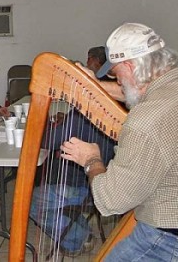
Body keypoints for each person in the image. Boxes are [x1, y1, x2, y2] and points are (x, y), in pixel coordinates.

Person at [60, 22, 178, 261]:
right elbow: (140, 91)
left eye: (116, 74)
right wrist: (93, 87)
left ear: (130, 67)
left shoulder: (146, 121)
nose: (116, 80)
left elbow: (111, 200)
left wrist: (90, 159)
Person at [30, 109, 116, 257]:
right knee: (46, 195)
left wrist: (41, 121)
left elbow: (46, 141)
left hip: (79, 186)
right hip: (100, 182)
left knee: (30, 201)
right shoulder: (112, 114)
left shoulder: (80, 115)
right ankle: (81, 231)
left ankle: (77, 238)